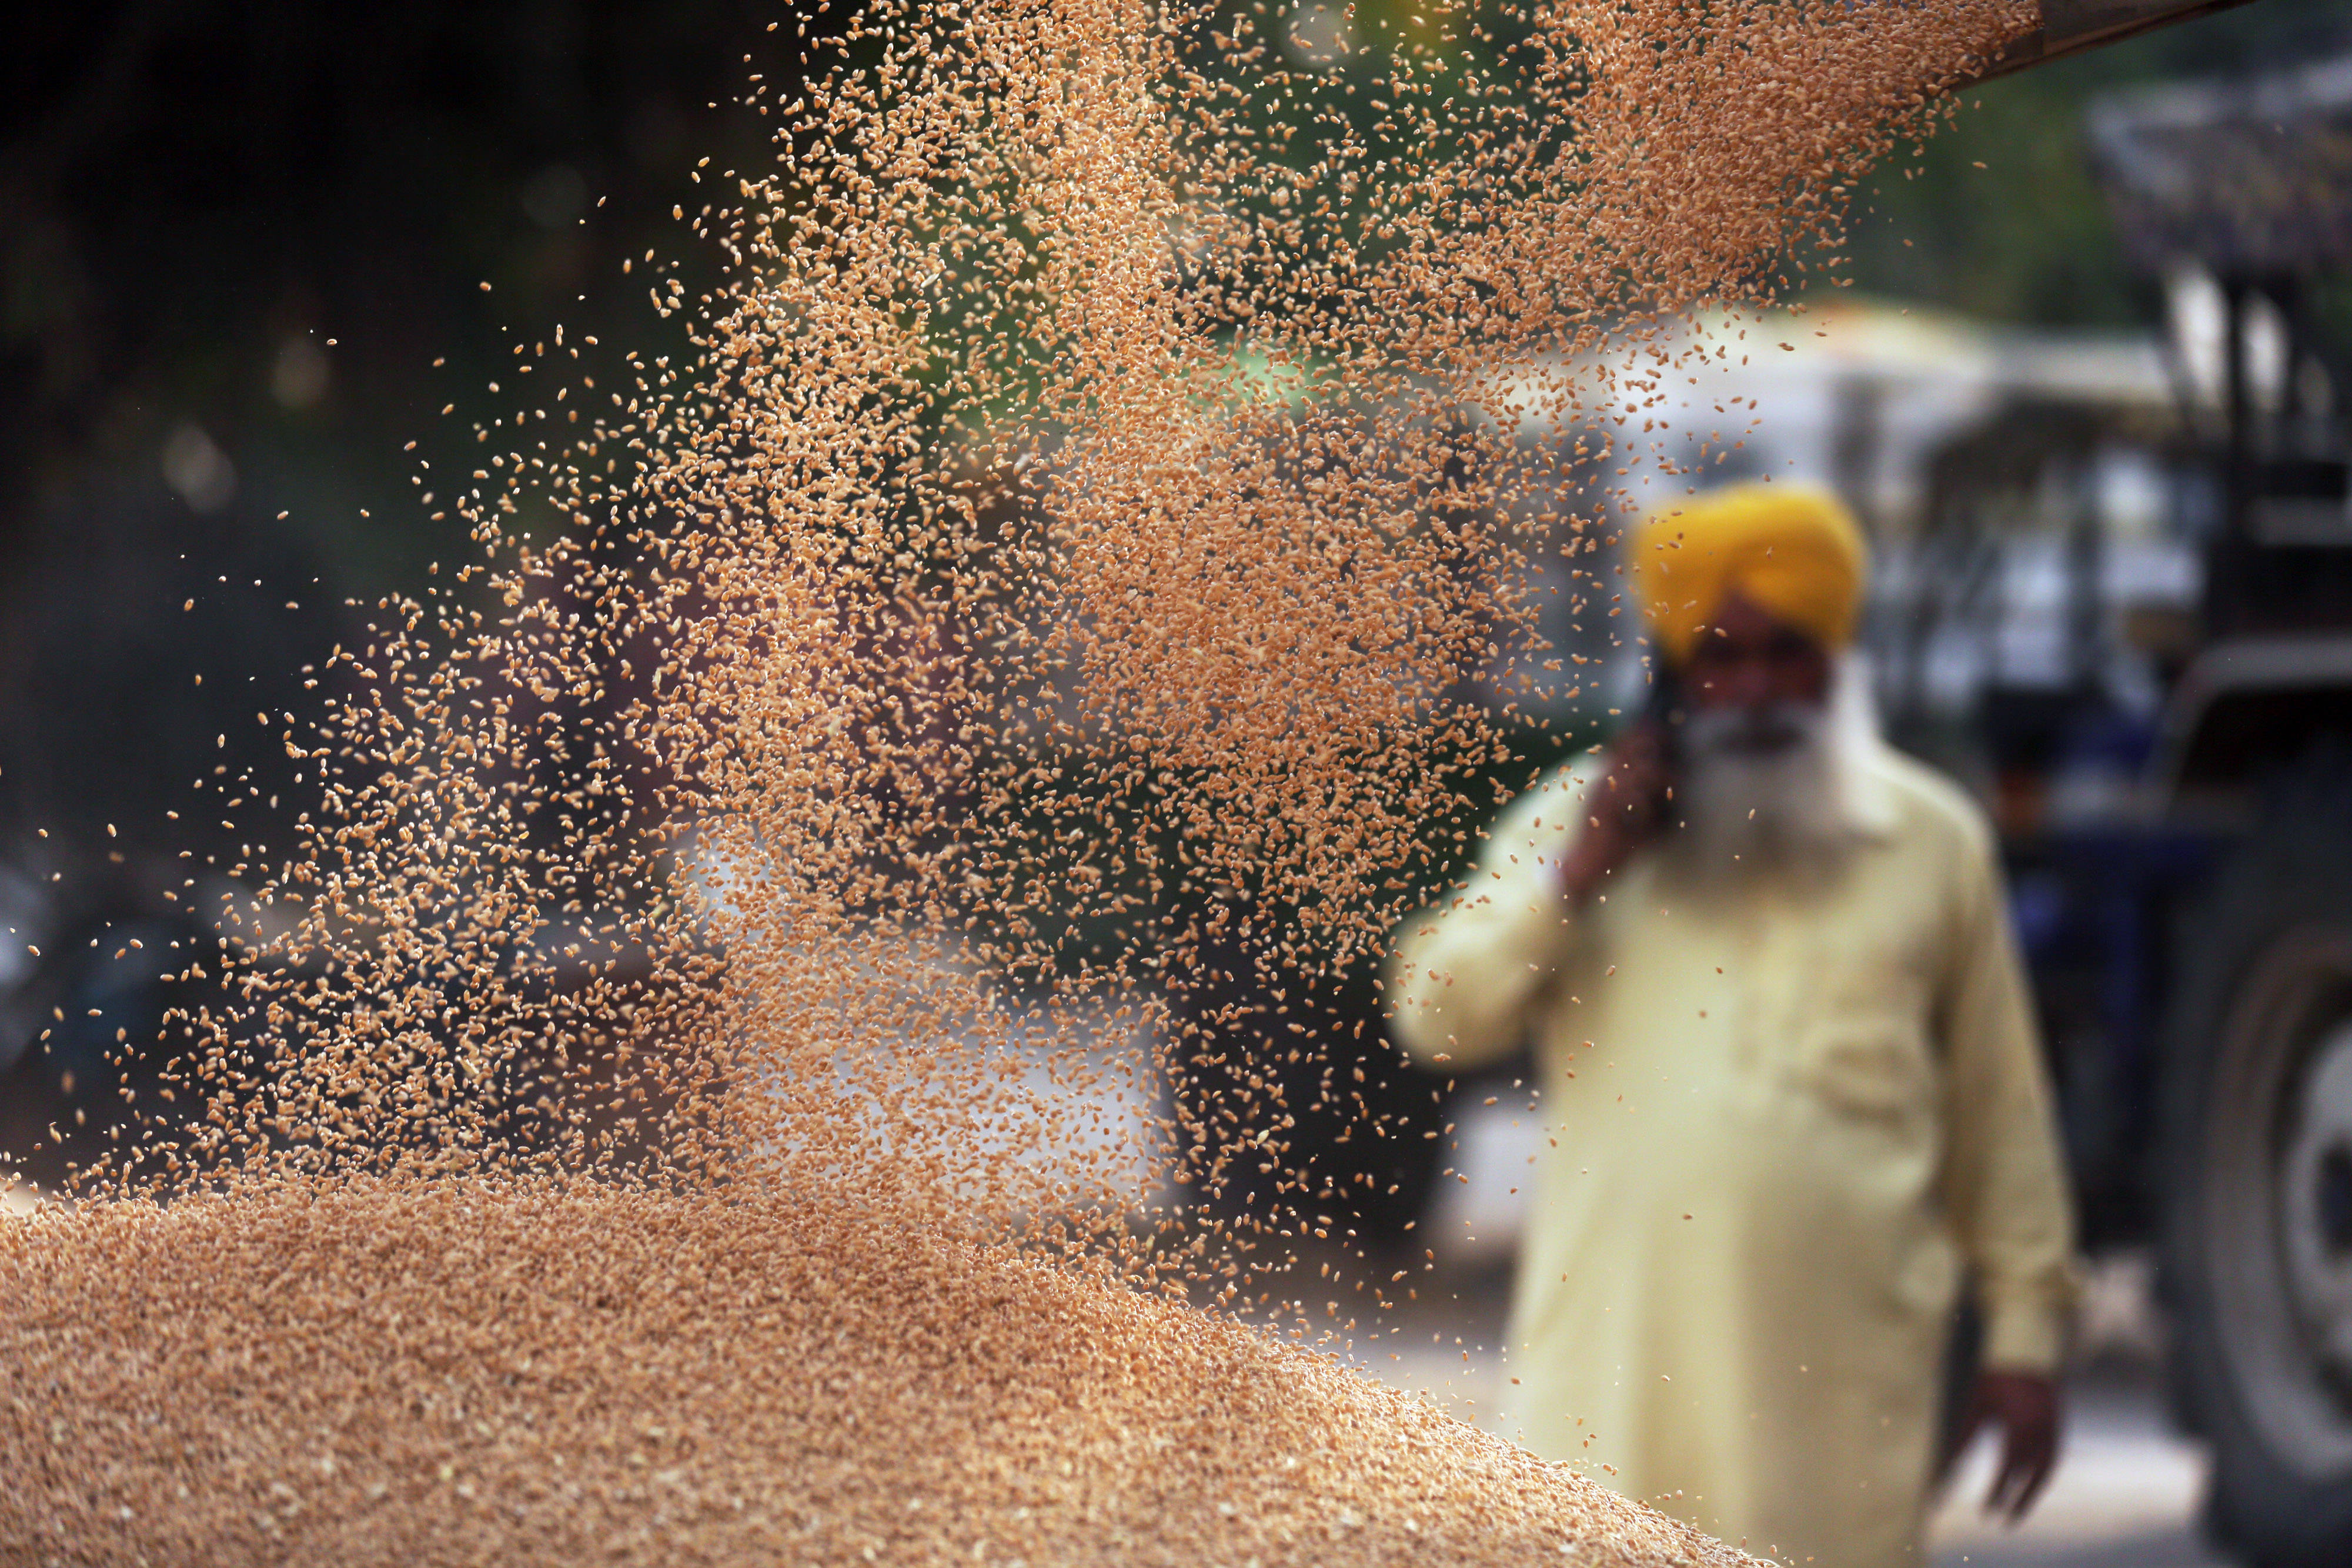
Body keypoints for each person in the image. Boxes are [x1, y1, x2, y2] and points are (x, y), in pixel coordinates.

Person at [1386, 483, 2076, 1568]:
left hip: (1844, 1403)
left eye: (1785, 654)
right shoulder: (1581, 821)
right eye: (1720, 657)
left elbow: (2003, 1115)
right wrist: (1577, 875)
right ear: (1672, 680)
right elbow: (1434, 1015)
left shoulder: (1932, 842)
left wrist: (2029, 1341)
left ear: (1838, 661)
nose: (1754, 690)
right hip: (1611, 1397)